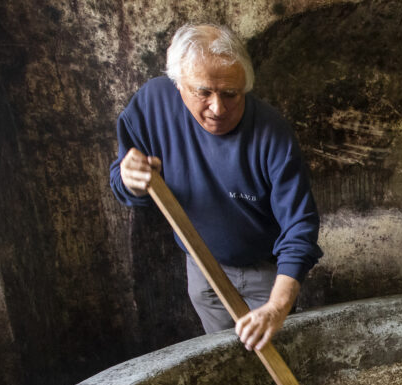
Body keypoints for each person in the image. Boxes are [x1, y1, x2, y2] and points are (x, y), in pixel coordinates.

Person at [110, 23, 321, 352]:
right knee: (223, 359)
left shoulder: (272, 132)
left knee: (278, 361)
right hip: (201, 265)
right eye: (203, 92)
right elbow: (122, 181)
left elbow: (300, 227)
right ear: (178, 84)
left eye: (230, 94)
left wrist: (277, 307)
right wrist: (128, 180)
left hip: (264, 271)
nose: (218, 108)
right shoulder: (152, 105)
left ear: (245, 87)